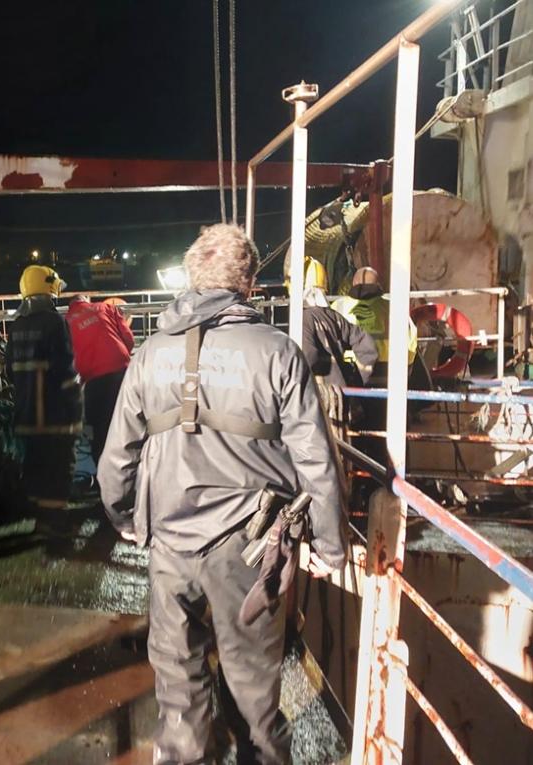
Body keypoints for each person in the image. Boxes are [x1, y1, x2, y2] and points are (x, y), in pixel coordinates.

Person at [98, 224, 347, 765]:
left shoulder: (150, 354)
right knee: (253, 682)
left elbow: (116, 457)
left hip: (168, 539)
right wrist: (331, 547)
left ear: (193, 279)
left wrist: (123, 517)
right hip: (250, 547)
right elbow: (316, 461)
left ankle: (183, 754)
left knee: (177, 676)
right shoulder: (278, 352)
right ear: (249, 283)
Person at [5, 264, 83, 516]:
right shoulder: (55, 323)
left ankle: (37, 515)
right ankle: (55, 521)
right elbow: (65, 371)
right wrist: (76, 408)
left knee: (34, 466)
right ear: (49, 289)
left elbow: (8, 371)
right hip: (54, 417)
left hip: (25, 415)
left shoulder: (16, 325)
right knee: (58, 468)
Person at [65, 295, 134, 466]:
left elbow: (67, 357)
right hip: (122, 373)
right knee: (128, 424)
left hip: (93, 381)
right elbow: (128, 338)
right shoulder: (105, 307)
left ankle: (102, 475)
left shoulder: (66, 322)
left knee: (99, 430)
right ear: (86, 301)